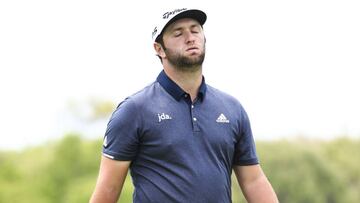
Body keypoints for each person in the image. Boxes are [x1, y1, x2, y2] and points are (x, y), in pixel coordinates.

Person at [90, 8, 278, 203]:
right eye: (178, 33)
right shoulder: (134, 111)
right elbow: (108, 190)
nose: (190, 38)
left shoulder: (232, 109)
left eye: (195, 30)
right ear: (159, 49)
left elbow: (253, 181)